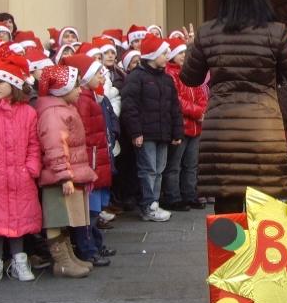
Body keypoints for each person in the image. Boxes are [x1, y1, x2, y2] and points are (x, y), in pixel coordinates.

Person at [179, 0, 287, 213]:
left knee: (227, 215)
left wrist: (193, 48)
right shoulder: (276, 32)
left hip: (221, 133)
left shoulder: (207, 32)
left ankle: (229, 253)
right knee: (264, 213)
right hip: (263, 132)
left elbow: (190, 78)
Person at [0, 54, 42, 284]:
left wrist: (31, 167)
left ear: (13, 84)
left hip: (21, 176)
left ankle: (19, 260)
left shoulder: (28, 112)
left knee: (19, 220)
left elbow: (33, 143)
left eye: (1, 81)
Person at [36, 65, 95, 278]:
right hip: (59, 176)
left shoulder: (64, 108)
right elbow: (54, 145)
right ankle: (61, 262)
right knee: (56, 219)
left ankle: (69, 257)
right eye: (76, 86)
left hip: (67, 173)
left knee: (65, 218)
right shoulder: (54, 113)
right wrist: (64, 176)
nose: (80, 90)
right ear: (62, 89)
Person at [120, 35, 183, 222]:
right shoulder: (136, 77)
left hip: (162, 133)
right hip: (145, 134)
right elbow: (129, 106)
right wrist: (135, 132)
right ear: (153, 55)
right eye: (163, 53)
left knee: (159, 169)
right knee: (148, 169)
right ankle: (148, 205)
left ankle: (154, 202)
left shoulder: (166, 79)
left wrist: (176, 132)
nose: (167, 56)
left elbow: (174, 107)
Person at [62, 54, 113, 265]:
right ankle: (87, 248)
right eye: (97, 73)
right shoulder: (83, 100)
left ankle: (94, 244)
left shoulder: (91, 97)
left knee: (93, 208)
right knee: (88, 210)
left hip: (96, 157)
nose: (102, 76)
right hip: (89, 160)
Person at [163, 38, 208, 210]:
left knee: (191, 164)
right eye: (180, 53)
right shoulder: (170, 74)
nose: (184, 56)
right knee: (174, 165)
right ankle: (172, 197)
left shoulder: (191, 72)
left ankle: (190, 194)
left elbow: (201, 93)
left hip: (196, 126)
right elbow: (177, 100)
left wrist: (203, 110)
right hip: (182, 125)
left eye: (185, 52)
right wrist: (198, 112)